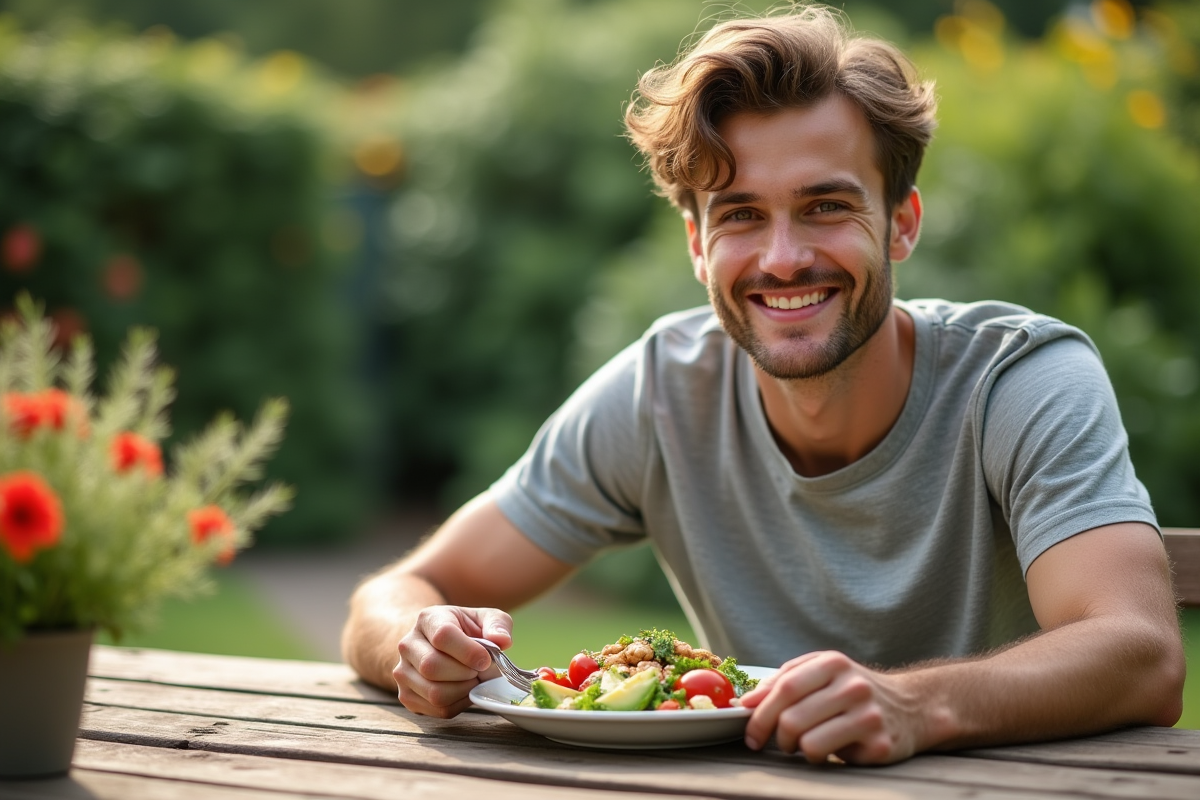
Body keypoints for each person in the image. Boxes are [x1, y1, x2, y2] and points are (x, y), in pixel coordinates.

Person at [342, 4, 1184, 764]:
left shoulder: (1020, 380)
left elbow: (1141, 652)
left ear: (900, 224)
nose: (783, 259)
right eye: (741, 214)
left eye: (825, 207)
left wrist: (916, 705)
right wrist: (422, 644)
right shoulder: (660, 393)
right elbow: (395, 596)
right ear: (697, 245)